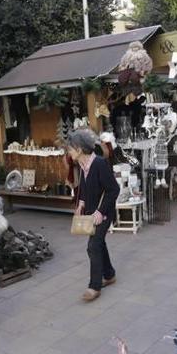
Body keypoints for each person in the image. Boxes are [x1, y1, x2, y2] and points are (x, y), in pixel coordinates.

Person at [65, 129, 120, 302]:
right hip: (91, 212)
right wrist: (81, 203)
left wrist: (100, 211)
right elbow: (85, 187)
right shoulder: (83, 165)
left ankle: (94, 286)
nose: (69, 152)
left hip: (103, 213)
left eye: (70, 149)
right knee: (99, 243)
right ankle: (109, 274)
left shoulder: (99, 164)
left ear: (79, 149)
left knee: (93, 246)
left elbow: (114, 190)